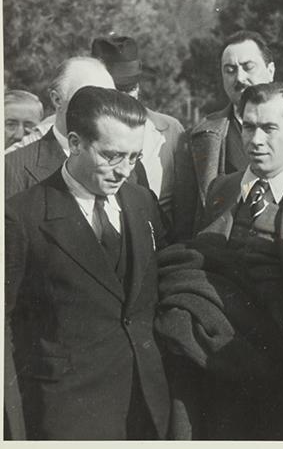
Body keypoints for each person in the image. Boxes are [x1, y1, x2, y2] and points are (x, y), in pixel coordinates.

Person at [5, 86, 171, 439]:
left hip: (146, 406)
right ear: (76, 143)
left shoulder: (143, 202)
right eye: (112, 156)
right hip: (67, 415)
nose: (124, 170)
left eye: (134, 157)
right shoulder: (21, 216)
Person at [162, 82, 283, 440]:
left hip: (282, 362)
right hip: (216, 357)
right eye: (249, 126)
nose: (255, 140)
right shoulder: (222, 188)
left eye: (269, 128)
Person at [173, 30, 275, 239]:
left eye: (248, 67)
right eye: (230, 70)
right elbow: (184, 223)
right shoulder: (195, 140)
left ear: (270, 71)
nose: (239, 78)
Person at [91, 35, 186, 237]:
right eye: (115, 89)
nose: (124, 98)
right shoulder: (69, 129)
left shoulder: (169, 130)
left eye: (130, 88)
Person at [4, 57, 118, 198]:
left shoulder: (127, 166)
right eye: (88, 100)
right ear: (57, 100)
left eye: (109, 100)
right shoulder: (13, 168)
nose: (101, 110)